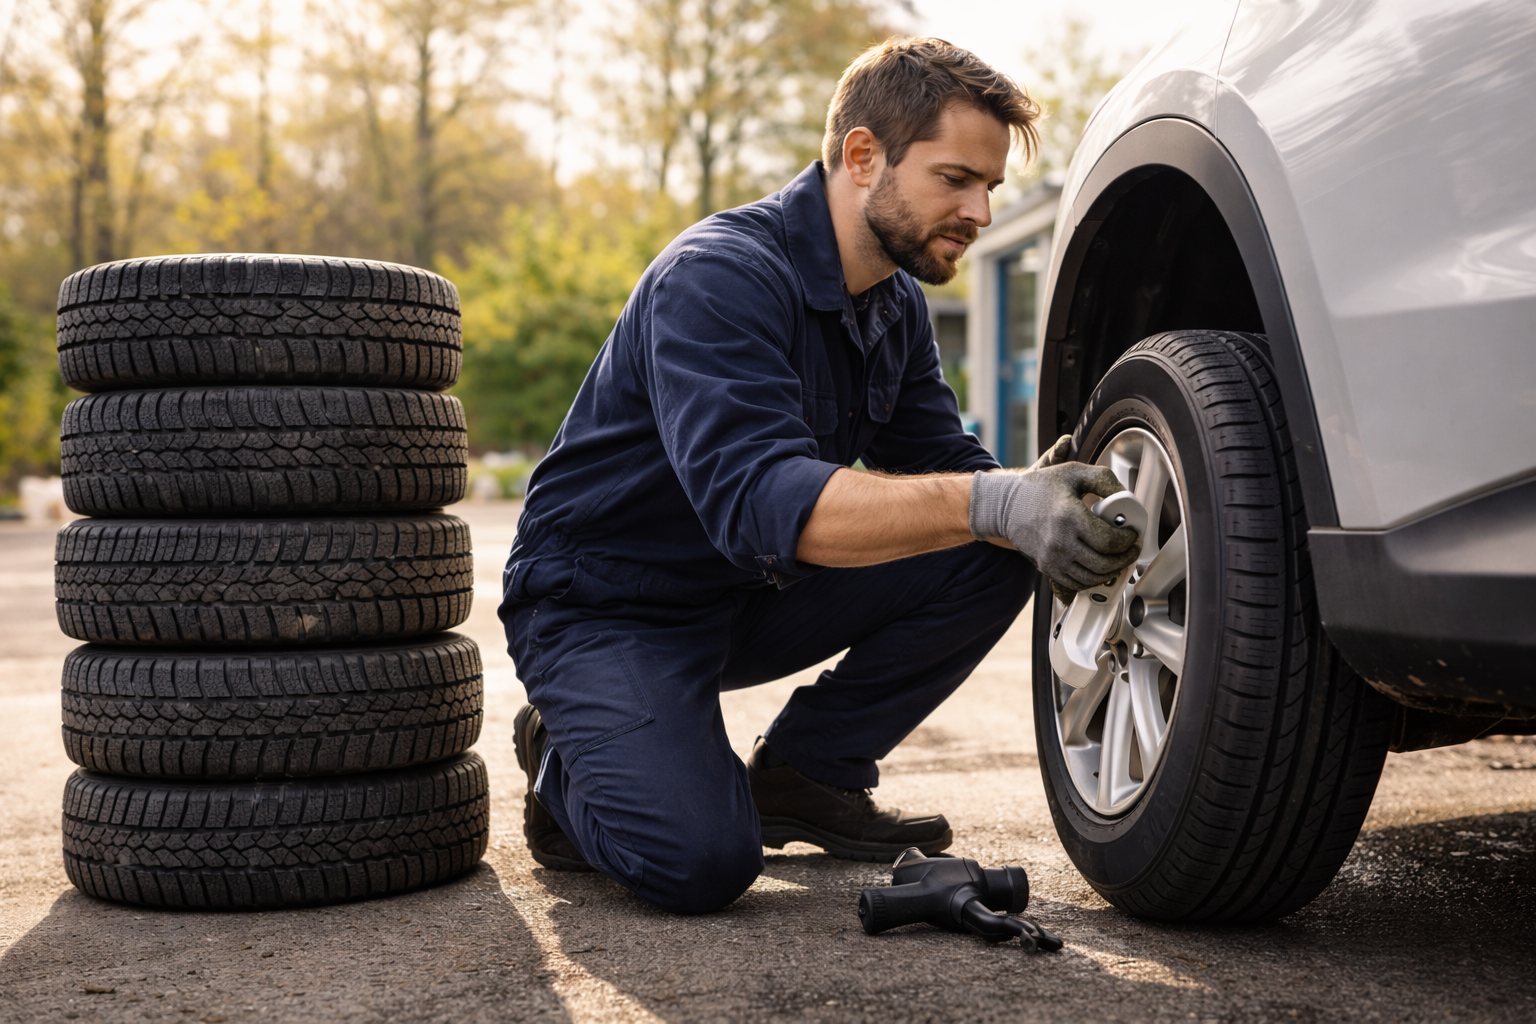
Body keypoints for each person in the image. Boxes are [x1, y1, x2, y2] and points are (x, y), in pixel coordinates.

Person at [498, 36, 1139, 915]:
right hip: (608, 607)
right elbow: (762, 503)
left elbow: (945, 467)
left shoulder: (895, 304)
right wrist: (992, 498)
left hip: (745, 595)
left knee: (995, 545)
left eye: (988, 186)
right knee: (701, 865)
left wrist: (1030, 493)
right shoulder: (717, 277)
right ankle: (563, 757)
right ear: (863, 154)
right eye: (956, 179)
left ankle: (807, 774)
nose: (981, 211)